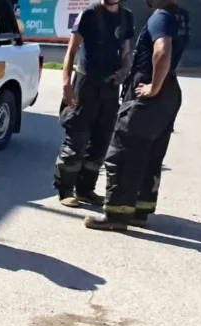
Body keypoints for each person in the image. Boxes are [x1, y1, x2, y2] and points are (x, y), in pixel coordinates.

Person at [84, 0, 189, 231]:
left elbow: (162, 50)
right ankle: (140, 211)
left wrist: (153, 87)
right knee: (150, 154)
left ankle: (116, 216)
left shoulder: (161, 17)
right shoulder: (180, 16)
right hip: (169, 91)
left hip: (149, 93)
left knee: (123, 153)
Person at [54, 0, 134, 207]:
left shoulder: (126, 17)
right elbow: (71, 52)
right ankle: (65, 190)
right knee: (77, 138)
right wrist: (66, 85)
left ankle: (85, 189)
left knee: (101, 141)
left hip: (110, 87)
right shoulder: (89, 14)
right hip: (85, 85)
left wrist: (125, 70)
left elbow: (126, 53)